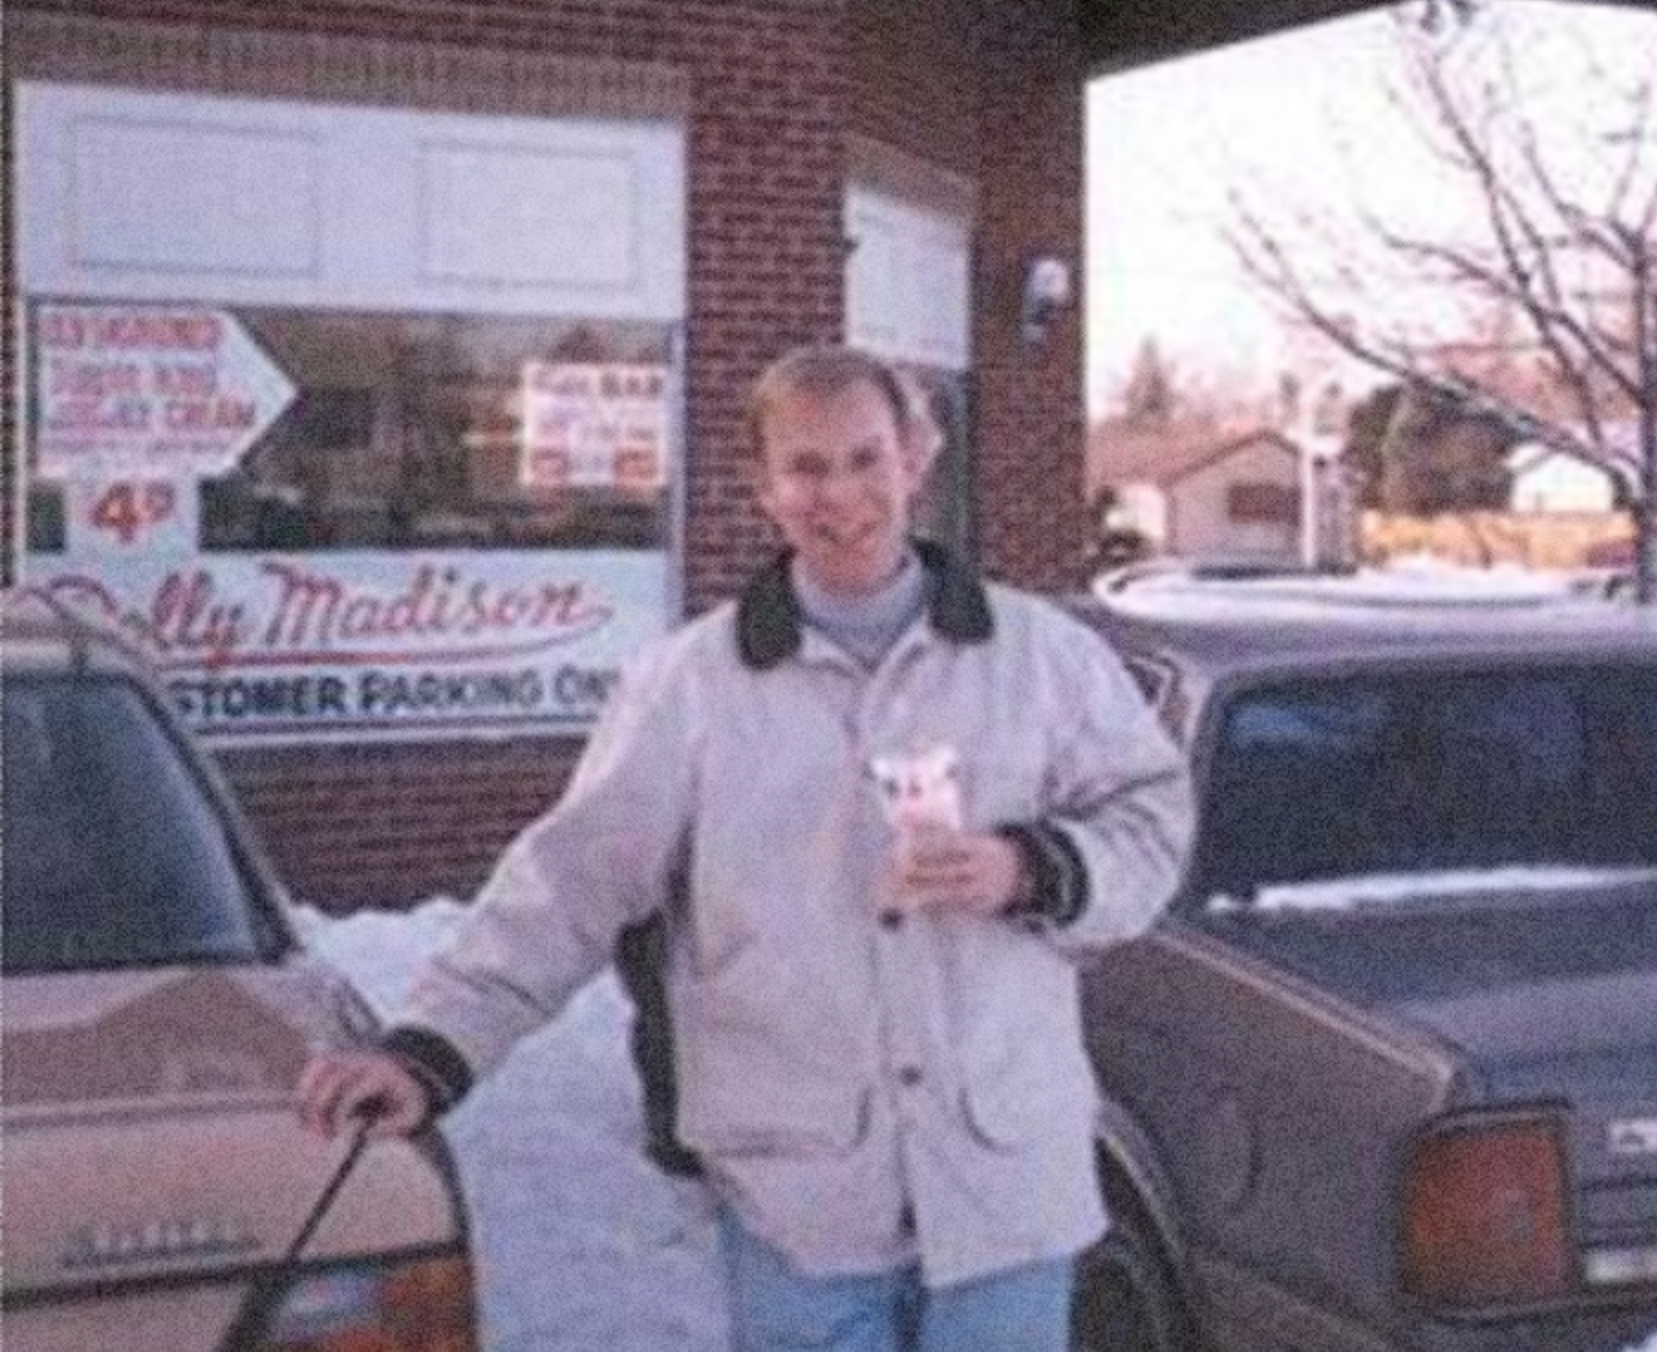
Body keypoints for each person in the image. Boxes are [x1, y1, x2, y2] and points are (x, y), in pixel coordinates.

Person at [299, 345, 1195, 1352]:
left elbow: (1152, 818)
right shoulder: (692, 688)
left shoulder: (1040, 658)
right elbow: (566, 889)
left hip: (1004, 1190)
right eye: (807, 468)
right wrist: (431, 1048)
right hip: (800, 1200)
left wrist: (1035, 867)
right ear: (764, 488)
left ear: (914, 460)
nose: (841, 495)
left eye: (866, 459)